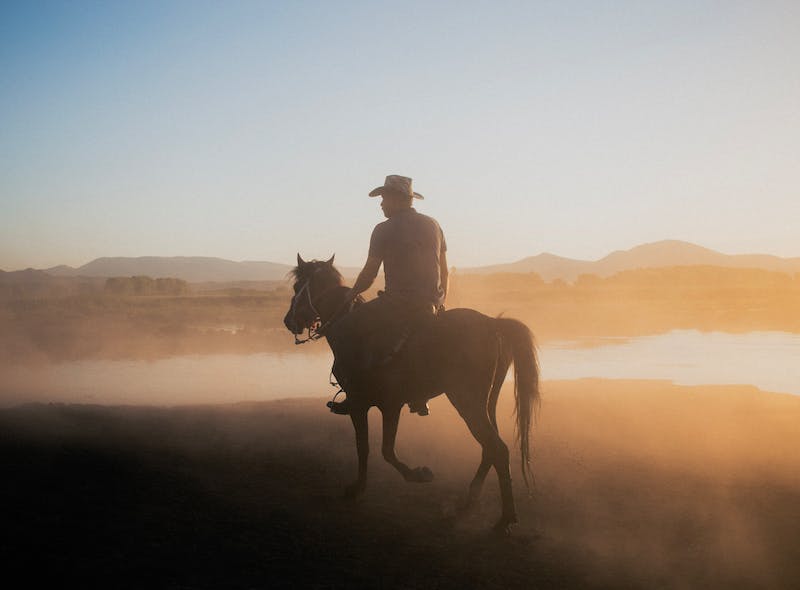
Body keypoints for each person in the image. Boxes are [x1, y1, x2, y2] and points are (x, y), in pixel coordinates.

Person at [327, 174, 448, 416]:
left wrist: (351, 294)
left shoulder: (383, 229)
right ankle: (418, 395)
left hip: (397, 304)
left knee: (342, 331)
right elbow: (444, 269)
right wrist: (440, 300)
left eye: (383, 198)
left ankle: (355, 395)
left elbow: (370, 273)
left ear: (396, 198)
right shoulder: (433, 224)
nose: (381, 204)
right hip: (430, 303)